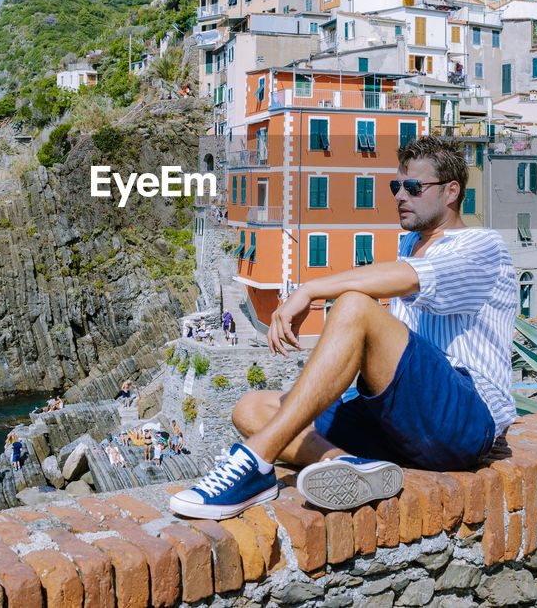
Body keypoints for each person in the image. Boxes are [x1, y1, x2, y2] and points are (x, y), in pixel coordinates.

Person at [169, 136, 517, 519]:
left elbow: (409, 278)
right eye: (395, 186)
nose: (401, 196)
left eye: (414, 188)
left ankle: (255, 463)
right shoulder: (410, 245)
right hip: (401, 424)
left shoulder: (482, 245)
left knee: (355, 305)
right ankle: (350, 466)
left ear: (452, 192)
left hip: (465, 421)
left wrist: (310, 289)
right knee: (252, 408)